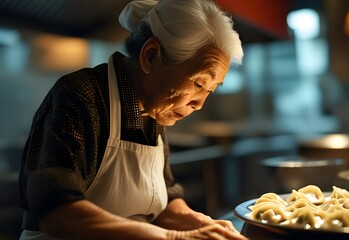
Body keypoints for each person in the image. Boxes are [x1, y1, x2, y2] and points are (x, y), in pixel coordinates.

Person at [18, 0, 245, 239]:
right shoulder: (83, 94)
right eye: (198, 83)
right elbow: (56, 212)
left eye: (209, 90)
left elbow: (164, 202)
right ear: (151, 56)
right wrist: (172, 237)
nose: (199, 104)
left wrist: (202, 224)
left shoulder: (154, 112)